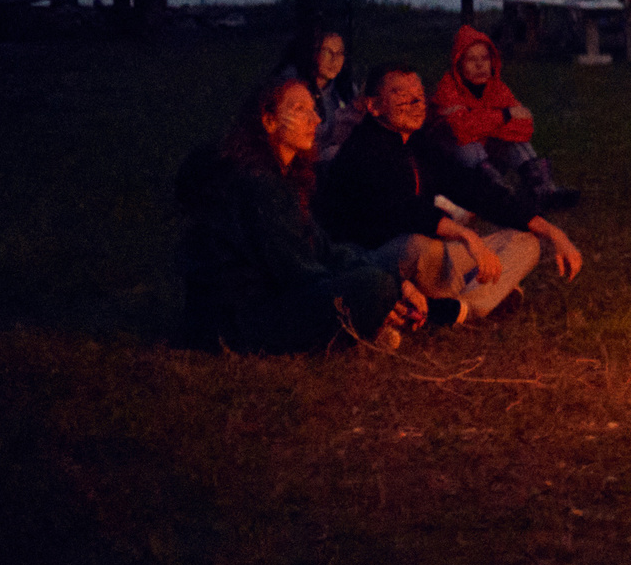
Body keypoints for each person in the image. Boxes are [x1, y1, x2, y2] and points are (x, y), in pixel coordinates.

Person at [318, 63, 583, 321]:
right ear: (373, 106)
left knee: (526, 243)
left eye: (419, 95)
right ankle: (464, 299)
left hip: (430, 256)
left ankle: (455, 307)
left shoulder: (418, 143)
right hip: (373, 259)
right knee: (418, 247)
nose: (415, 103)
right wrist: (466, 236)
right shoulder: (363, 150)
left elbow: (472, 187)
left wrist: (552, 231)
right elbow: (403, 211)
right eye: (400, 94)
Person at [175, 75, 421, 353]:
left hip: (267, 301)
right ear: (268, 122)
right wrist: (373, 291)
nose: (314, 120)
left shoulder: (283, 178)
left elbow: (324, 249)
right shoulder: (258, 183)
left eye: (313, 109)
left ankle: (363, 326)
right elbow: (296, 270)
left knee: (371, 273)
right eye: (299, 110)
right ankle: (360, 328)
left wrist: (398, 284)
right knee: (372, 287)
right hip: (242, 320)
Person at [431, 24, 579, 210]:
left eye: (485, 58)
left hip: (489, 161)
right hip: (456, 169)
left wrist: (482, 122)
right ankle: (496, 195)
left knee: (516, 142)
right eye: (471, 59)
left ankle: (542, 190)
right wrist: (504, 115)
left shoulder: (496, 88)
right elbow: (460, 131)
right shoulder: (448, 89)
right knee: (467, 143)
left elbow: (525, 126)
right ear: (459, 63)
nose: (479, 65)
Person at [279, 24, 364, 163]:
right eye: (327, 52)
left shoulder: (345, 89)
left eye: (339, 53)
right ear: (311, 52)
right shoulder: (291, 89)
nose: (334, 60)